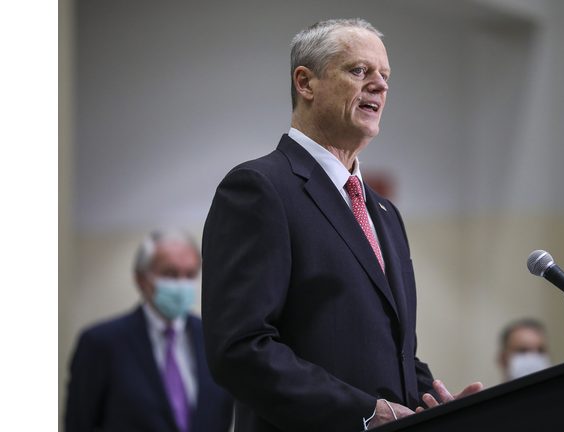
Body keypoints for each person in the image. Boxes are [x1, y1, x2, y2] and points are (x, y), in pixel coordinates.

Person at [201, 18, 482, 432]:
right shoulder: (260, 189)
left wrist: (435, 405)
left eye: (385, 76)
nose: (380, 85)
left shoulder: (384, 212)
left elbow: (396, 354)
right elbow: (241, 349)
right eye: (359, 71)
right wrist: (365, 412)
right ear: (305, 83)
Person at [65, 228, 234, 432]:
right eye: (170, 274)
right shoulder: (101, 343)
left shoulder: (215, 338)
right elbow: (78, 422)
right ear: (141, 278)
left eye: (190, 274)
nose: (181, 284)